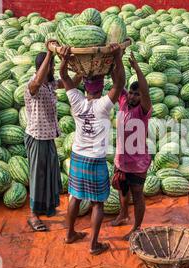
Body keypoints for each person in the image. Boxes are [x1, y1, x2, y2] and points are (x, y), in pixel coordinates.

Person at [59, 44, 125, 255]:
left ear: (86, 87)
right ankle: (94, 244)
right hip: (95, 159)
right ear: (100, 86)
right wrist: (116, 57)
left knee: (75, 197)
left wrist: (64, 58)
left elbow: (63, 76)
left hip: (78, 156)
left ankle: (69, 234)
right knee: (98, 203)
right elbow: (120, 83)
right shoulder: (104, 105)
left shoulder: (77, 101)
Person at [111, 52, 152, 241]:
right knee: (122, 189)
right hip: (121, 159)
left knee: (137, 195)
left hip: (138, 162)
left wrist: (137, 69)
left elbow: (145, 90)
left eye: (137, 94)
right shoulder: (123, 102)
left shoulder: (142, 110)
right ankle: (123, 214)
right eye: (132, 93)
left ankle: (136, 228)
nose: (134, 96)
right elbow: (117, 80)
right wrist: (116, 59)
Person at [24, 41, 64, 231]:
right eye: (51, 66)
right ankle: (33, 215)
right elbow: (38, 82)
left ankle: (45, 207)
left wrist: (72, 63)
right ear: (43, 67)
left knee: (50, 174)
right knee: (37, 176)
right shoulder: (33, 85)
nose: (53, 68)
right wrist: (50, 54)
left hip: (48, 136)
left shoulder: (50, 85)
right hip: (37, 137)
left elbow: (69, 82)